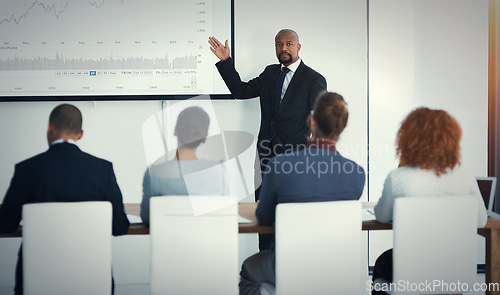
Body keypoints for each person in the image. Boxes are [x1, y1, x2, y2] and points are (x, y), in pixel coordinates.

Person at [238, 92, 366, 295]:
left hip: (288, 263)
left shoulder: (280, 165)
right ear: (342, 127)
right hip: (335, 266)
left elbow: (264, 218)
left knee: (249, 268)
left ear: (312, 122)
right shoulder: (357, 174)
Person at [0, 104, 130, 295]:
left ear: (49, 128)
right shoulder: (103, 169)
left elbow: (5, 224)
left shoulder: (27, 169)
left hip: (36, 280)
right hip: (92, 279)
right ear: (81, 134)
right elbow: (119, 227)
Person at [371, 107, 488, 295]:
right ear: (451, 139)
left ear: (408, 139)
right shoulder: (464, 174)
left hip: (411, 268)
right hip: (454, 267)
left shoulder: (399, 177)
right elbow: (481, 221)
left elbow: (382, 216)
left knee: (381, 262)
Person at [208, 29, 327, 201]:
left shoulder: (314, 79)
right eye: (279, 44)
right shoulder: (270, 73)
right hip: (265, 155)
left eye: (288, 44)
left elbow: (321, 119)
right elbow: (240, 91)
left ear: (298, 47)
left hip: (296, 158)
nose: (283, 48)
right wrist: (226, 61)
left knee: (291, 211)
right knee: (263, 212)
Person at [140, 106, 228, 223]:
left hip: (170, 241)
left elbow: (146, 218)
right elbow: (226, 212)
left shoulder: (154, 174)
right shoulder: (218, 170)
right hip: (209, 240)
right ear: (204, 138)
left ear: (175, 130)